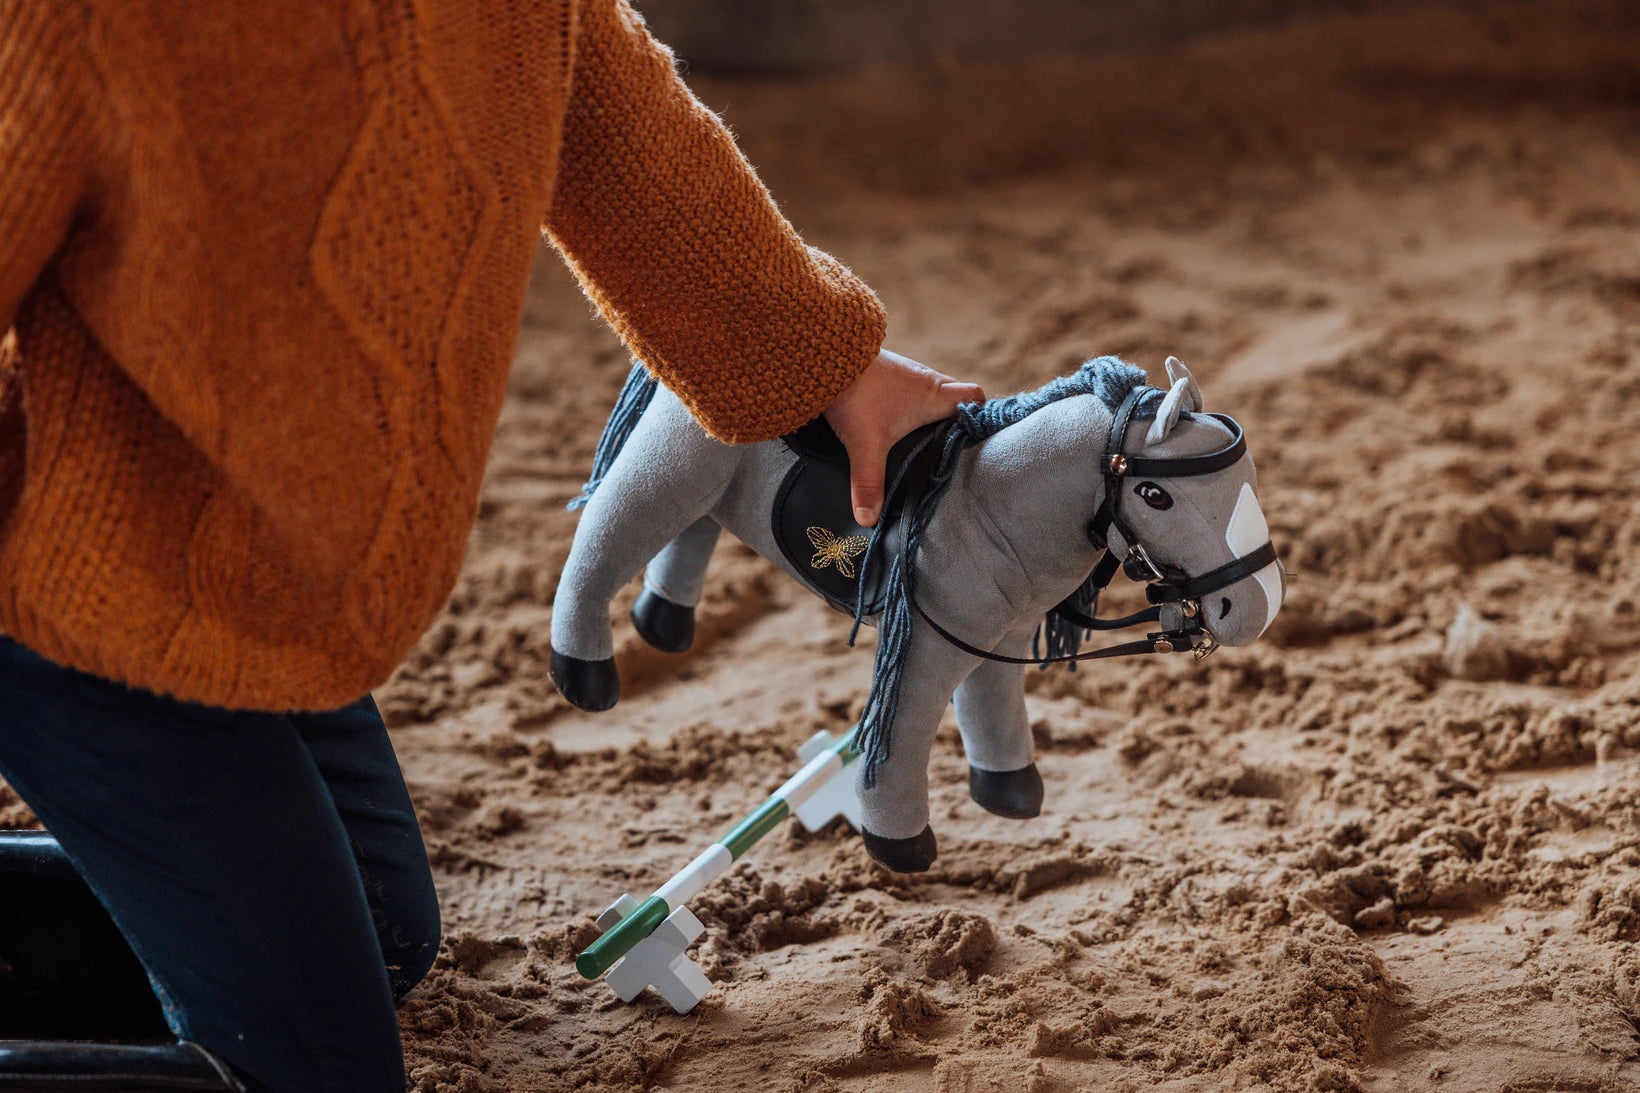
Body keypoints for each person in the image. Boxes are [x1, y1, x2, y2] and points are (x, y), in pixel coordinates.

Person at [0, 1, 983, 1090]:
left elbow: (615, 125)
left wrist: (825, 360)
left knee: (381, 933)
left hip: (271, 589)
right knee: (311, 1071)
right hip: (78, 599)